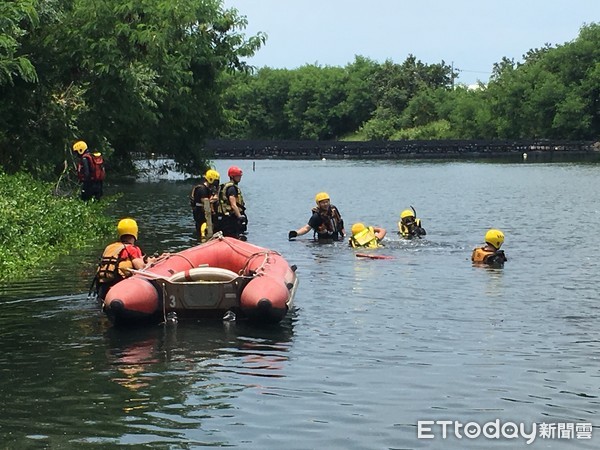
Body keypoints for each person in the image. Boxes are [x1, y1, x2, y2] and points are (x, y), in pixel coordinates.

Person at [93, 218, 161, 301]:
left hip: (103, 288)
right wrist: (151, 262)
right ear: (135, 232)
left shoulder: (110, 247)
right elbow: (142, 268)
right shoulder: (132, 249)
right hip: (120, 287)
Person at [216, 165, 247, 240]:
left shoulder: (227, 186)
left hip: (226, 217)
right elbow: (233, 204)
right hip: (230, 218)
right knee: (234, 236)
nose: (240, 177)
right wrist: (240, 217)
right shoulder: (232, 188)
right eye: (238, 176)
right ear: (232, 176)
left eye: (240, 176)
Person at [190, 169, 220, 242]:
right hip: (200, 213)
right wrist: (214, 198)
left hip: (203, 212)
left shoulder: (207, 189)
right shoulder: (202, 189)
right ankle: (202, 239)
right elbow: (205, 201)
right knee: (202, 228)